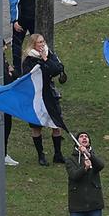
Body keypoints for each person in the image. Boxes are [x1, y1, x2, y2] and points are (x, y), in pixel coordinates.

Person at [18, 33, 68, 166]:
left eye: (43, 41)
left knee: (57, 124)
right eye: (39, 42)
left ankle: (58, 154)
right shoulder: (29, 59)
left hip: (50, 94)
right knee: (36, 127)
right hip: (36, 96)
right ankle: (41, 155)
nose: (42, 44)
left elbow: (57, 69)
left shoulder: (48, 54)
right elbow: (29, 76)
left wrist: (46, 60)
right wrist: (46, 66)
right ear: (33, 44)